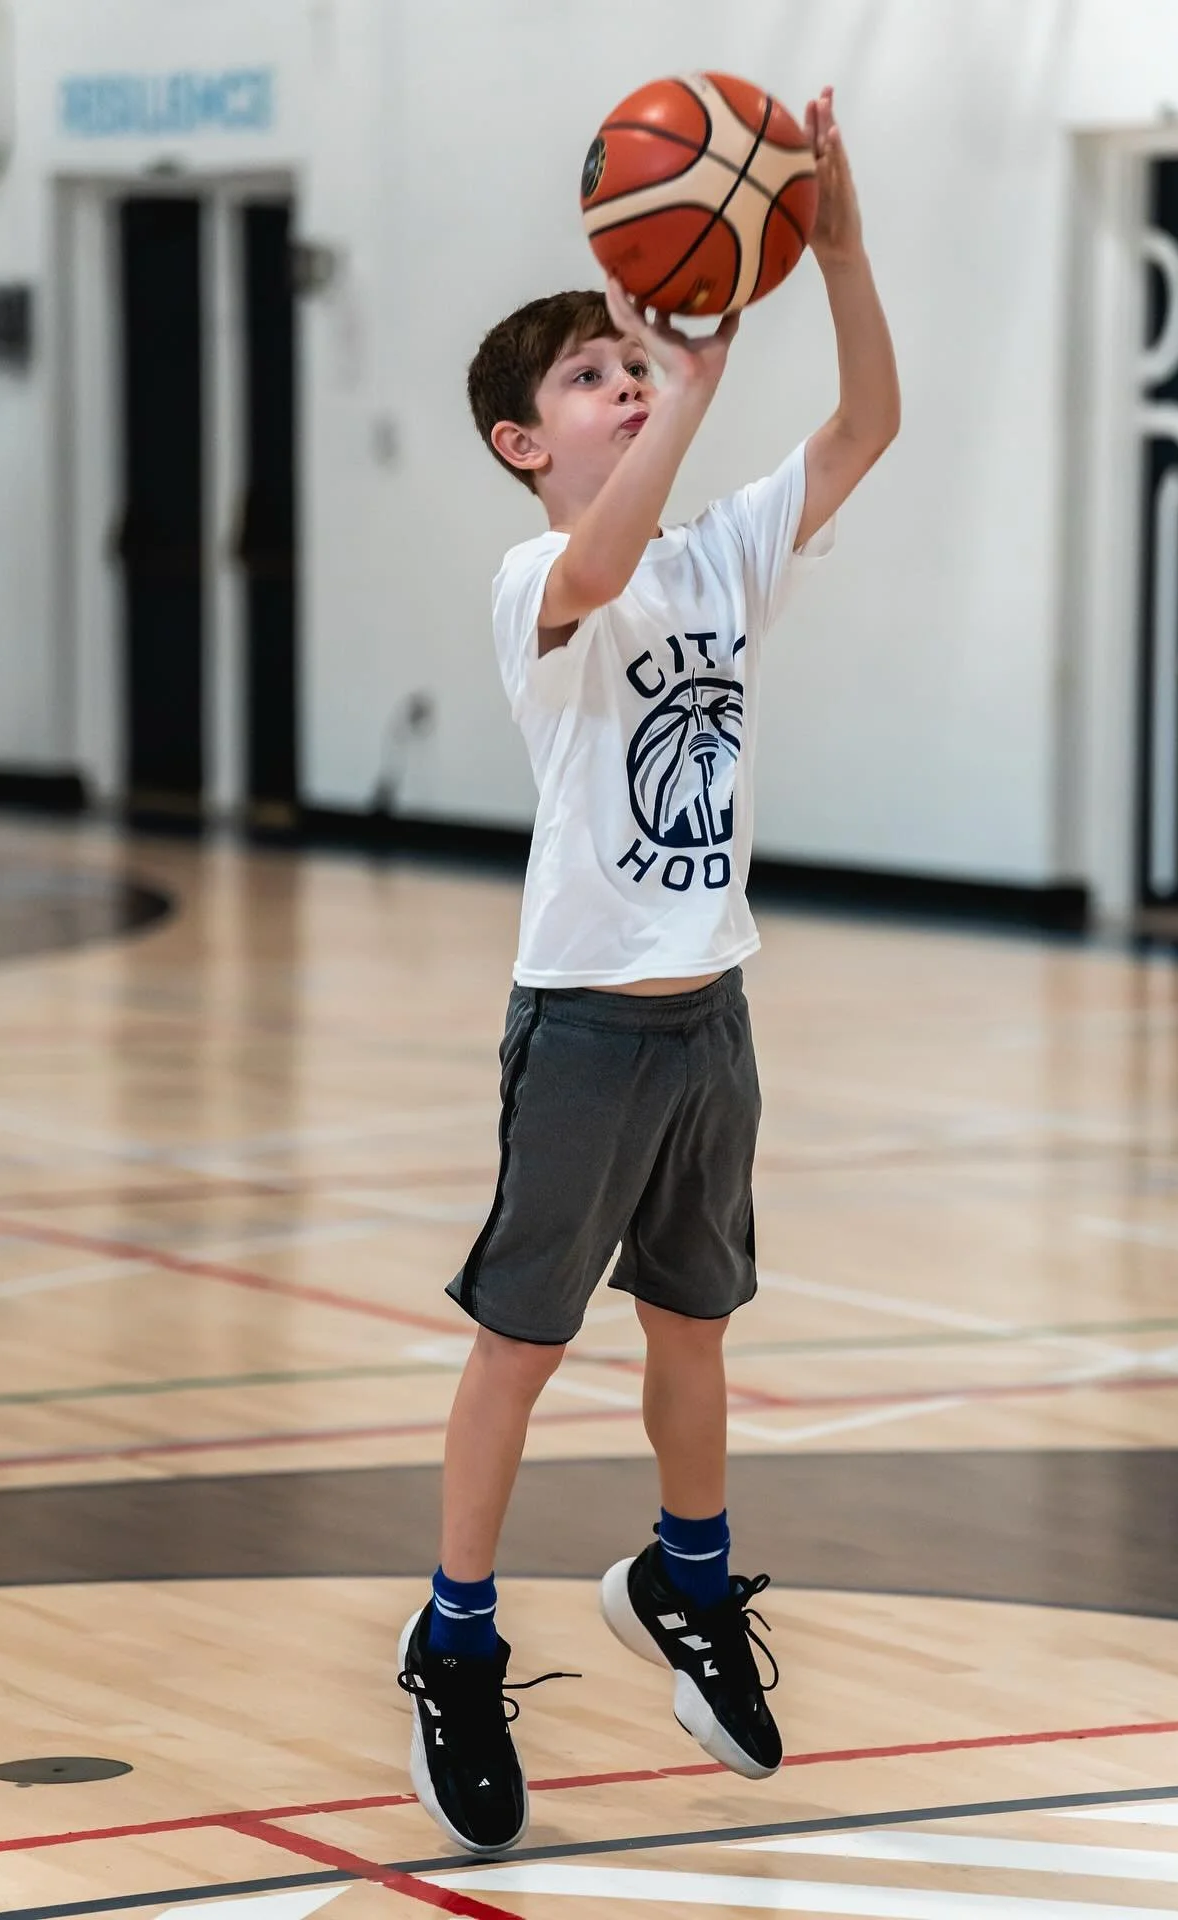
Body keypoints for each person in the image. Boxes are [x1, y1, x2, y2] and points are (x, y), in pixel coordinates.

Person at [396, 87, 900, 1856]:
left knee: (697, 1330)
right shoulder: (546, 571)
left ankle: (684, 1584)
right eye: (593, 381)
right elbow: (606, 564)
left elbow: (868, 424)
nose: (627, 385)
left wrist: (835, 250)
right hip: (587, 1029)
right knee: (519, 1347)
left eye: (636, 369)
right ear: (519, 443)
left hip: (711, 1016)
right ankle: (453, 1640)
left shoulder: (715, 556)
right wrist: (686, 390)